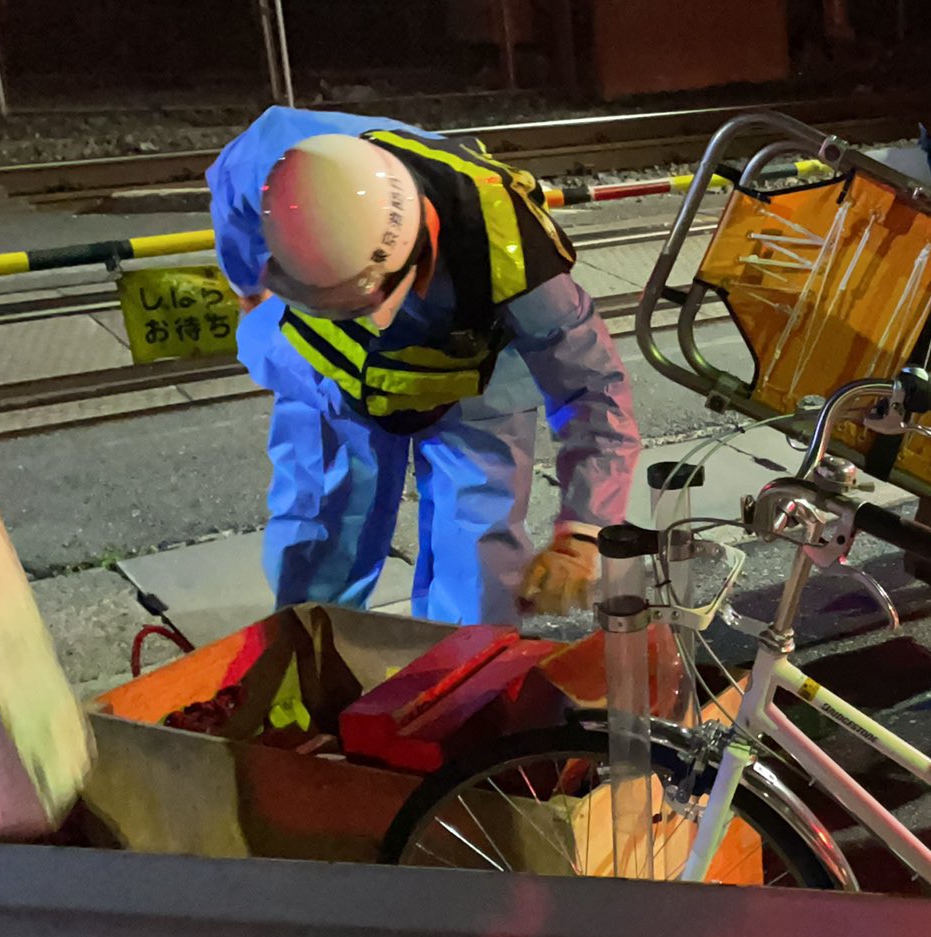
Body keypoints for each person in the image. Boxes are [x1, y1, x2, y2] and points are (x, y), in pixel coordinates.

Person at [206, 108, 639, 626]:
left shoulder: (516, 263)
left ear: (416, 260)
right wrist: (248, 289)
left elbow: (595, 393)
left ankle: (460, 686)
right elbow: (235, 220)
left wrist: (583, 532)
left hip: (475, 370)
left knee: (479, 565)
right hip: (332, 369)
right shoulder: (277, 164)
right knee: (320, 532)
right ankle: (308, 665)